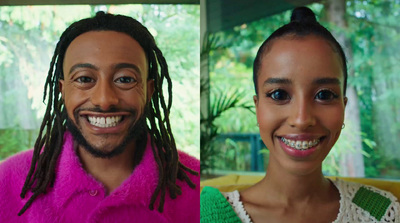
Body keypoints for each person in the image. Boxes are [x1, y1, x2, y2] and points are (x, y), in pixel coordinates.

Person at [201, 7, 399, 223]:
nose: (302, 119)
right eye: (279, 94)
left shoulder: (381, 212)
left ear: (343, 107)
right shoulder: (207, 214)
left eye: (324, 95)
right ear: (258, 108)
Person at [0, 12, 199, 222]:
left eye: (124, 79)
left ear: (149, 91)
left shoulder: (197, 185)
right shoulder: (8, 181)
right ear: (62, 90)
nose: (104, 100)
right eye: (84, 78)